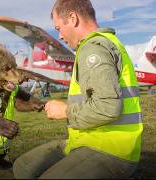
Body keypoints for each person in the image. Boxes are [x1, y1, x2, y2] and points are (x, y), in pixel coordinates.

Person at [12, 0, 143, 178]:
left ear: (73, 18)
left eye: (58, 28)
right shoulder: (98, 45)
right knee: (23, 167)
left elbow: (108, 108)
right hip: (86, 139)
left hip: (111, 149)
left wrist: (65, 110)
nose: (59, 35)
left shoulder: (92, 50)